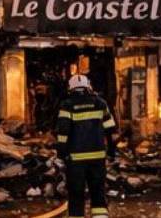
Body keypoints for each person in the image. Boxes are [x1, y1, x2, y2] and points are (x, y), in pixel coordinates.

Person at [55, 75, 118, 218]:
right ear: (88, 86)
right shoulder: (100, 103)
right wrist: (112, 152)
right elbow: (111, 131)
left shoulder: (67, 105)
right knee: (98, 193)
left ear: (70, 88)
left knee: (76, 194)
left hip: (76, 159)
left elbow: (63, 132)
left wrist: (60, 155)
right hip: (98, 157)